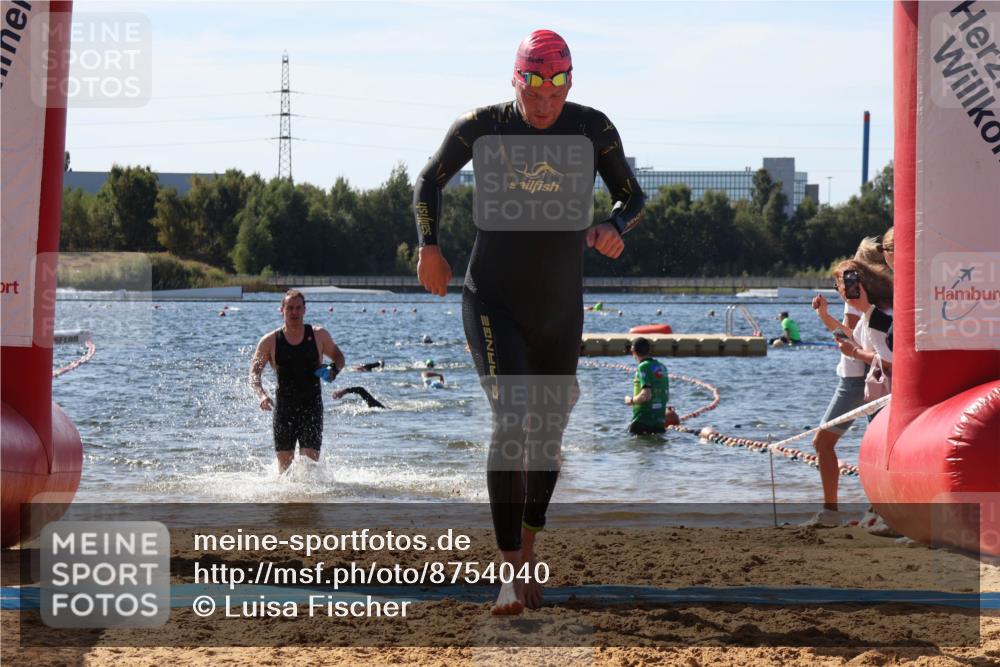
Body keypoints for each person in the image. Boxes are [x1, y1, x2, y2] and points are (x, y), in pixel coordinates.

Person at [413, 29, 644, 615]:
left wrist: (615, 227)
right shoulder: (483, 127)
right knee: (512, 421)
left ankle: (528, 551)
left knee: (549, 434)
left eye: (556, 92)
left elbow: (633, 197)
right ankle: (510, 571)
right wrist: (429, 247)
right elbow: (427, 181)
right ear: (516, 80)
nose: (545, 106)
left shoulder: (592, 128)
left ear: (569, 83)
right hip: (492, 299)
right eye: (534, 92)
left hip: (560, 308)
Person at [804, 259, 893, 526]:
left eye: (844, 283)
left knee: (824, 442)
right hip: (869, 385)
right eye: (839, 285)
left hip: (867, 385)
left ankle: (839, 512)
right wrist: (825, 318)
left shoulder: (875, 315)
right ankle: (876, 510)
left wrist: (853, 352)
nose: (842, 289)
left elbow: (885, 359)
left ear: (861, 283)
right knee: (876, 450)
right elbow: (851, 336)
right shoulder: (868, 313)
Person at [249, 290, 345, 473]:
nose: (294, 312)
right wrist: (261, 395)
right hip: (284, 410)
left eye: (298, 308)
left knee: (310, 468)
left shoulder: (318, 335)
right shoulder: (269, 341)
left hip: (312, 408)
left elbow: (339, 357)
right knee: (284, 472)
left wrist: (334, 370)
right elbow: (254, 375)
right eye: (290, 308)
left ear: (304, 310)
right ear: (282, 310)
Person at [624, 337, 669, 435]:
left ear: (632, 351)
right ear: (649, 350)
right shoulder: (662, 367)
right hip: (659, 422)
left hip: (642, 420)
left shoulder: (643, 366)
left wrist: (630, 400)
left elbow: (646, 396)